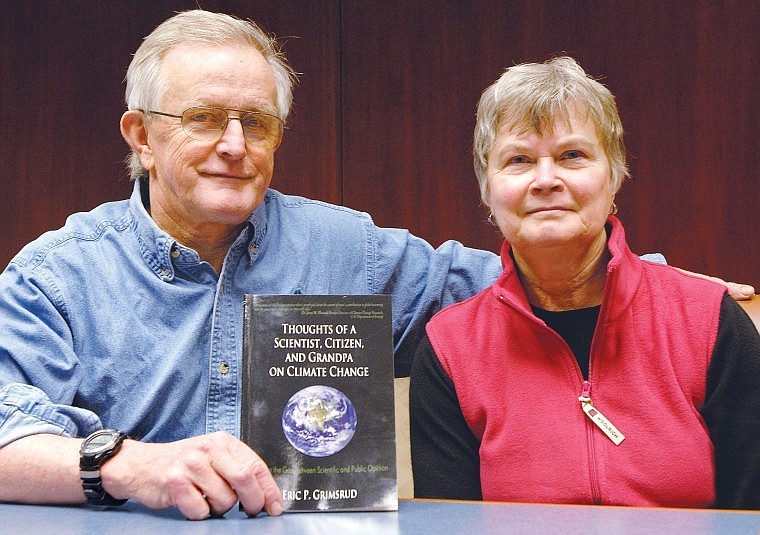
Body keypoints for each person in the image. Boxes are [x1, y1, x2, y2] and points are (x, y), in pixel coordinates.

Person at [0, 11, 751, 521]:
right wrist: (127, 466)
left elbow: (517, 281)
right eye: (203, 118)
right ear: (140, 135)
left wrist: (662, 285)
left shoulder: (346, 248)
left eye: (255, 122)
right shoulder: (56, 276)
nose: (234, 142)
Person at [410, 57, 760, 510]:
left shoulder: (711, 322)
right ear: (487, 191)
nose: (546, 179)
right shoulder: (448, 349)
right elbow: (450, 525)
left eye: (572, 155)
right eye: (518, 160)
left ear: (614, 177)